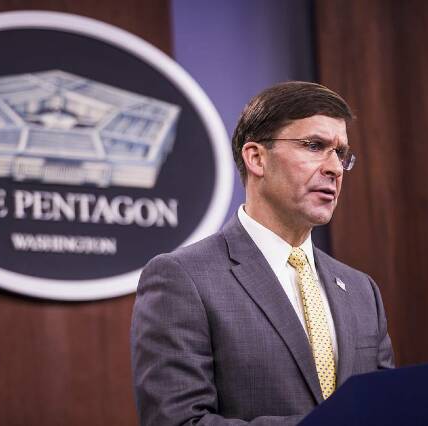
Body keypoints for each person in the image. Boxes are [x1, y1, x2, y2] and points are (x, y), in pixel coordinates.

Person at [130, 81, 394, 425]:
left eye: (341, 153)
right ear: (256, 158)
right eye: (315, 146)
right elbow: (178, 421)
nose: (334, 168)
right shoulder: (184, 279)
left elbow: (386, 408)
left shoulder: (362, 291)